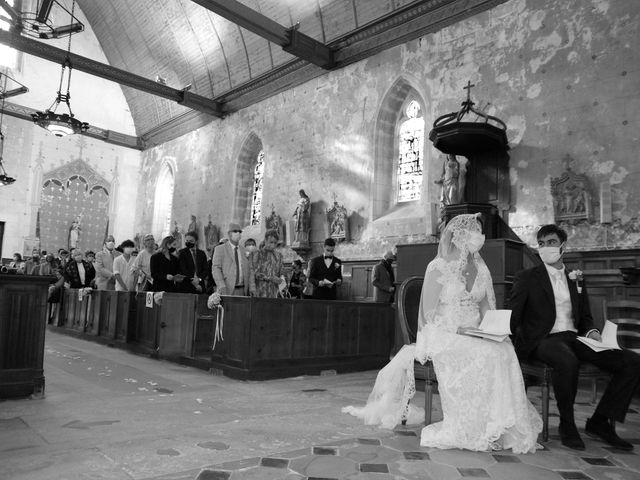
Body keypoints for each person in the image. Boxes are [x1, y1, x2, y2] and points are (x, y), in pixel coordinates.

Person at [343, 214, 542, 454]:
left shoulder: (480, 268)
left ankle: (499, 424)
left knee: (503, 348)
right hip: (443, 332)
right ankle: (472, 426)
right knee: (487, 354)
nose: (479, 236)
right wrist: (457, 329)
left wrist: (493, 329)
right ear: (458, 236)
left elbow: (486, 308)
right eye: (474, 231)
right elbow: (428, 315)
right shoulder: (438, 266)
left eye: (481, 231)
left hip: (475, 332)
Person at [509, 224, 640, 451]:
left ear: (562, 246)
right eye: (541, 244)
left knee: (631, 361)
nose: (546, 248)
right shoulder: (527, 277)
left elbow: (585, 317)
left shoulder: (576, 278)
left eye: (551, 242)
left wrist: (592, 332)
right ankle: (567, 425)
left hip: (575, 337)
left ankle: (600, 422)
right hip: (543, 340)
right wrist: (505, 341)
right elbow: (513, 315)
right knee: (566, 361)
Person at [249, 229, 284, 298]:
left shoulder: (279, 256)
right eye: (271, 242)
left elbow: (281, 272)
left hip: (274, 292)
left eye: (275, 243)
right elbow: (255, 273)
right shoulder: (257, 254)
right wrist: (270, 278)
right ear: (265, 240)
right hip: (260, 291)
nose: (273, 245)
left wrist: (282, 280)